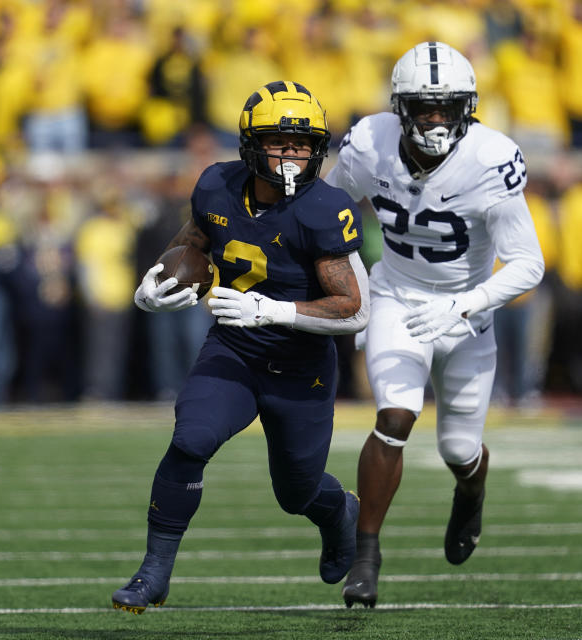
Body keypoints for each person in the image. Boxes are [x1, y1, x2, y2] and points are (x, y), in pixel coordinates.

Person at [111, 81, 370, 614]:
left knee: (295, 492)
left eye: (304, 144)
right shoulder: (216, 186)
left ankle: (340, 512)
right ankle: (153, 573)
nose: (294, 154)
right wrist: (155, 285)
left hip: (300, 366)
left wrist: (272, 310)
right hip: (234, 348)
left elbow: (352, 307)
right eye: (281, 141)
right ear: (252, 143)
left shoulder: (324, 208)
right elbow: (191, 244)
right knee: (190, 439)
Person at [325, 42, 545, 608]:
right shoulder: (369, 144)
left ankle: (471, 492)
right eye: (426, 107)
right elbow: (325, 212)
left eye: (448, 107)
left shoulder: (490, 158)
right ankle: (366, 556)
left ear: (468, 107)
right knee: (395, 414)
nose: (437, 119)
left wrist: (466, 304)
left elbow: (529, 263)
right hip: (397, 295)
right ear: (401, 108)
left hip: (468, 313)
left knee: (458, 448)